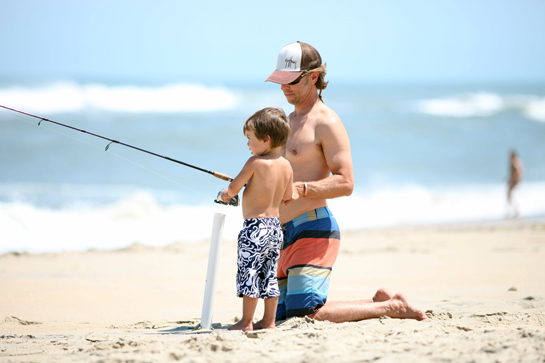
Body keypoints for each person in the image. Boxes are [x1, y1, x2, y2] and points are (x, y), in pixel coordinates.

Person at [265, 41, 427, 322]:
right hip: (282, 234)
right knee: (282, 317)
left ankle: (391, 309)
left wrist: (302, 188)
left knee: (306, 314)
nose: (283, 87)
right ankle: (376, 302)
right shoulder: (286, 122)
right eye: (280, 81)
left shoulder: (327, 122)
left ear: (313, 77)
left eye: (290, 80)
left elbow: (346, 182)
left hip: (311, 228)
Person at [219, 107, 294, 331]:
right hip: (274, 229)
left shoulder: (254, 163)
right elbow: (289, 196)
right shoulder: (287, 165)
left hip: (254, 228)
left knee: (249, 272)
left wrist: (225, 195)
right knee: (269, 273)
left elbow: (233, 188)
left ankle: (246, 322)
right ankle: (269, 322)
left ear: (266, 139)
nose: (248, 144)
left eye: (250, 139)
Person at [507, 149, 524, 218]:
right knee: (510, 194)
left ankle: (516, 210)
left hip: (515, 180)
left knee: (509, 194)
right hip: (516, 180)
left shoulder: (514, 161)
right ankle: (515, 210)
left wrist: (514, 179)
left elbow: (517, 171)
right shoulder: (517, 161)